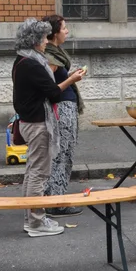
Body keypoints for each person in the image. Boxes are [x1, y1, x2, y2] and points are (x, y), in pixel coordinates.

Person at [12, 18, 85, 237]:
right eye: (44, 37)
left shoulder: (23, 60)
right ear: (35, 40)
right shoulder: (32, 64)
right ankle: (35, 222)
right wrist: (71, 80)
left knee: (33, 171)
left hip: (30, 121)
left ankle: (31, 218)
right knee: (39, 173)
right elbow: (53, 92)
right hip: (37, 123)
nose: (46, 41)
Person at [42, 14, 84, 217]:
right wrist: (71, 79)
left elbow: (58, 78)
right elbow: (50, 88)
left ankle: (54, 198)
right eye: (64, 28)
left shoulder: (56, 52)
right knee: (62, 155)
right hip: (62, 108)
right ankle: (55, 201)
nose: (67, 31)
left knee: (65, 154)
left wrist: (70, 75)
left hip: (67, 106)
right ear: (54, 33)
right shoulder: (49, 56)